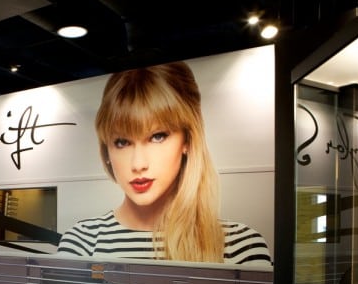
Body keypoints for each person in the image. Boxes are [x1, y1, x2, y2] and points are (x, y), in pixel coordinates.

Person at [57, 61, 272, 266]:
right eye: (122, 142)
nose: (138, 164)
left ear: (187, 140)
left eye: (157, 136)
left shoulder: (240, 248)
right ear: (107, 150)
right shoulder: (82, 242)